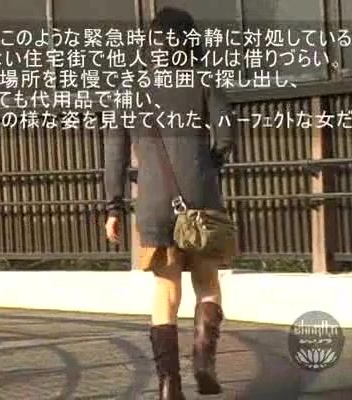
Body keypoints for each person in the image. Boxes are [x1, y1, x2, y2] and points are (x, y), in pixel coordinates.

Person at [104, 7, 236, 399]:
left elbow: (114, 156)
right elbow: (226, 137)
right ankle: (203, 362)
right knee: (207, 281)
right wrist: (207, 167)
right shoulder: (204, 82)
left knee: (166, 289)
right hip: (202, 200)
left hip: (155, 202)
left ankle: (168, 384)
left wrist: (113, 207)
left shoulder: (130, 91)